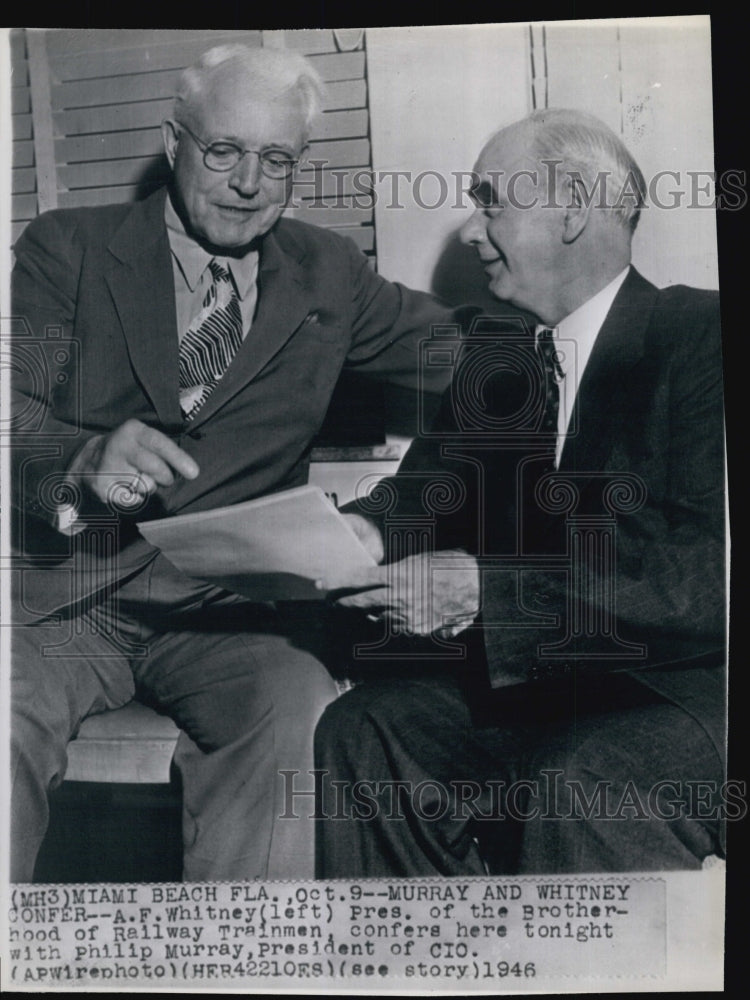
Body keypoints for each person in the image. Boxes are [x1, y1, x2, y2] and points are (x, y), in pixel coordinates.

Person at [9, 44, 461, 883]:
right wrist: (80, 457)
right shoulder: (65, 248)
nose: (249, 181)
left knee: (298, 716)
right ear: (174, 141)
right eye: (224, 150)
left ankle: (245, 963)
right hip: (68, 603)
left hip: (229, 616)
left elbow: (465, 354)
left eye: (276, 159)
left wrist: (599, 335)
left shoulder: (329, 272)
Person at [315, 108, 727, 876]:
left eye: (490, 202)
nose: (473, 231)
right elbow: (418, 499)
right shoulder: (496, 362)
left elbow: (709, 579)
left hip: (680, 689)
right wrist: (343, 539)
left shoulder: (703, 338)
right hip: (542, 683)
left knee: (582, 780)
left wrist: (483, 598)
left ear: (572, 205)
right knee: (365, 728)